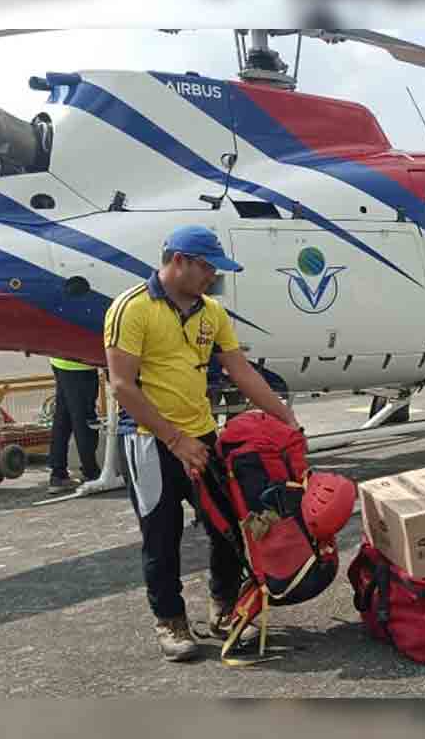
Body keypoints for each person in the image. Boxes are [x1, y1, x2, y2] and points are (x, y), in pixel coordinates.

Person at [104, 225, 300, 662]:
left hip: (201, 434)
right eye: (207, 267)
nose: (212, 277)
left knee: (227, 525)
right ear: (179, 261)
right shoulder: (131, 309)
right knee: (161, 533)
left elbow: (241, 371)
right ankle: (170, 620)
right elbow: (122, 386)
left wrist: (283, 416)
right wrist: (175, 440)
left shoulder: (211, 311)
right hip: (149, 439)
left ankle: (224, 606)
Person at [45, 356, 102, 495]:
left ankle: (58, 474)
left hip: (59, 360)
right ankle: (91, 471)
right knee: (84, 420)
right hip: (80, 363)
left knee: (63, 418)